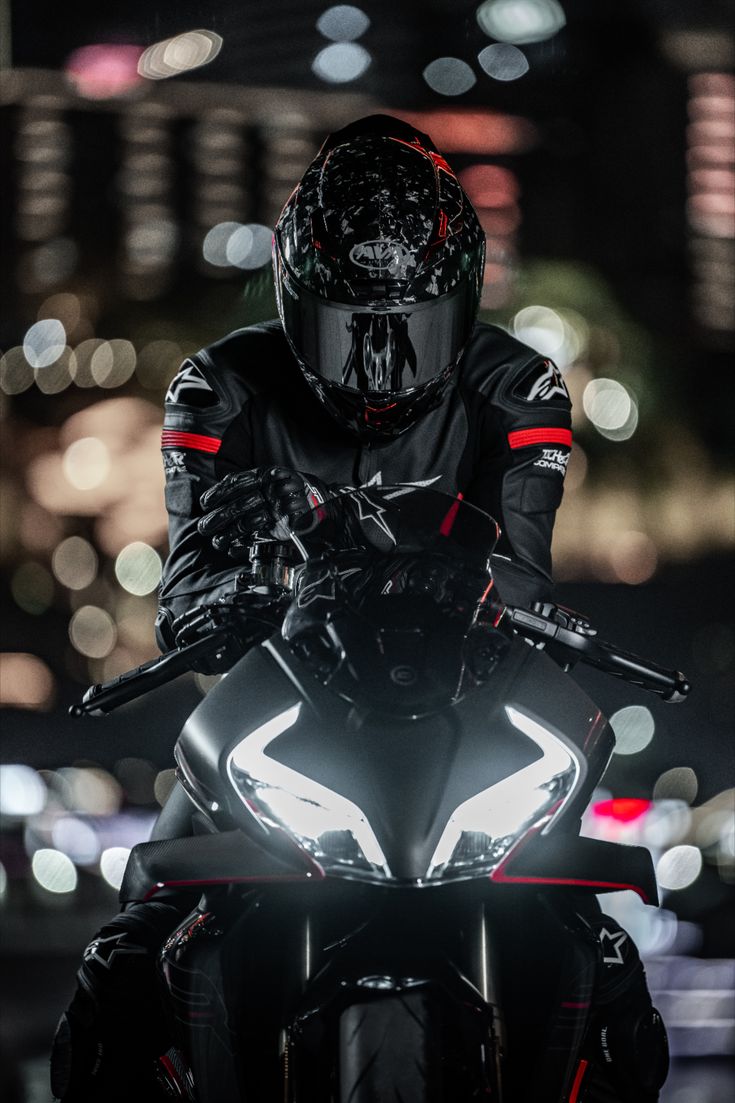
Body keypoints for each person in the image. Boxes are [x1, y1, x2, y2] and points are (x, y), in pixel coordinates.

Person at [52, 114, 666, 1102]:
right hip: (286, 696)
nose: (381, 365)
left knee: (598, 944)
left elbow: (523, 574)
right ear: (298, 299)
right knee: (129, 952)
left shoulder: (522, 385)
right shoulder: (219, 385)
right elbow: (186, 603)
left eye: (410, 329)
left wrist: (429, 566)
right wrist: (249, 576)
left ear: (459, 305)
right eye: (352, 329)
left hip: (472, 698)